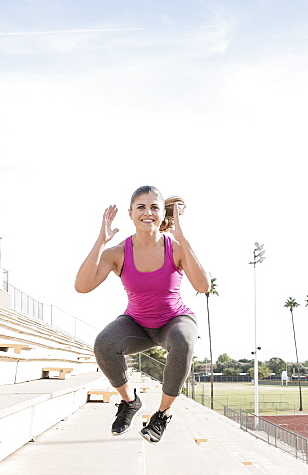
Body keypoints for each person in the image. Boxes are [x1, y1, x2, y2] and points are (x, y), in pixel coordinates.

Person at [75, 186, 209, 442]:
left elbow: (203, 287)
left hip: (175, 320)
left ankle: (162, 414)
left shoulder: (176, 248)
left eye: (154, 207)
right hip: (137, 323)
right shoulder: (117, 252)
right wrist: (101, 241)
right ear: (130, 213)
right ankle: (130, 402)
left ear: (161, 214)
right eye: (141, 207)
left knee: (183, 342)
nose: (148, 212)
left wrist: (184, 239)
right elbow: (82, 287)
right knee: (104, 344)